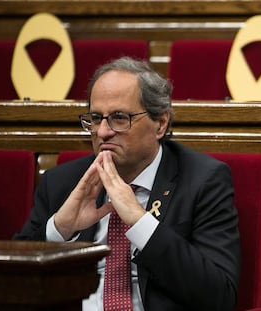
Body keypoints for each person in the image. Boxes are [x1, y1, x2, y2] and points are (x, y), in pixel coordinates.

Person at [14, 56, 240, 311]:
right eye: (96, 118)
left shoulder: (202, 180)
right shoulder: (63, 182)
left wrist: (140, 222)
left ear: (160, 124)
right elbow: (8, 284)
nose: (102, 132)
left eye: (119, 118)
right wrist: (59, 230)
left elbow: (219, 296)